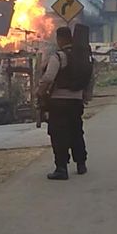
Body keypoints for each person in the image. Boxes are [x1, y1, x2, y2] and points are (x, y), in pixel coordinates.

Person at [38, 26, 94, 180]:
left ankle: (61, 168)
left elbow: (49, 78)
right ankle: (81, 163)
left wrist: (40, 92)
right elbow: (90, 79)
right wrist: (86, 97)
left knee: (59, 134)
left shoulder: (59, 57)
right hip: (76, 102)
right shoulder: (83, 57)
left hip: (58, 102)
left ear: (60, 40)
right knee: (76, 131)